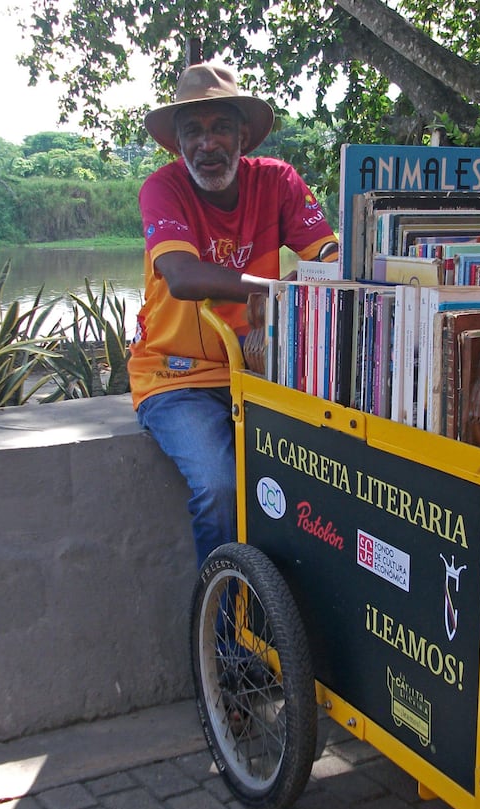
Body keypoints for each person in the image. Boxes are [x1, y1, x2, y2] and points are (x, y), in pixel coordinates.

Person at [131, 62, 339, 568]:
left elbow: (331, 258)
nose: (208, 144)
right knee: (220, 487)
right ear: (177, 142)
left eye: (220, 127)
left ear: (243, 135)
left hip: (262, 369)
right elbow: (182, 276)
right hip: (176, 376)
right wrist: (277, 289)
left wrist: (318, 275)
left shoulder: (278, 181)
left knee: (331, 468)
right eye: (193, 131)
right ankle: (225, 636)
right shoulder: (163, 188)